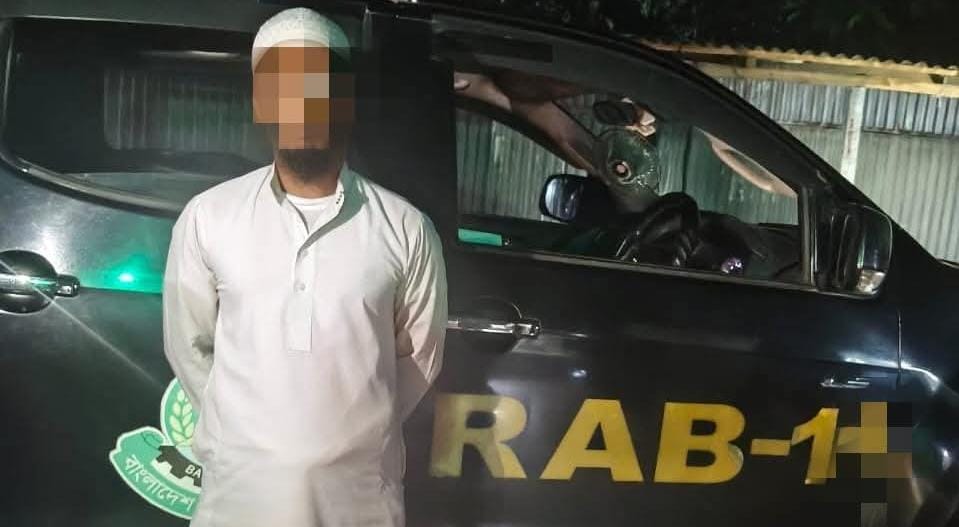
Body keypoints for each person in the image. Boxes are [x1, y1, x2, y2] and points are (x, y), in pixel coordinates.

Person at [161, 7, 448, 527]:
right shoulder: (209, 217)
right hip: (239, 497)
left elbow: (419, 358)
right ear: (260, 102)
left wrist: (350, 436)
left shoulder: (405, 227)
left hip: (359, 501)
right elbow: (189, 345)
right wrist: (248, 436)